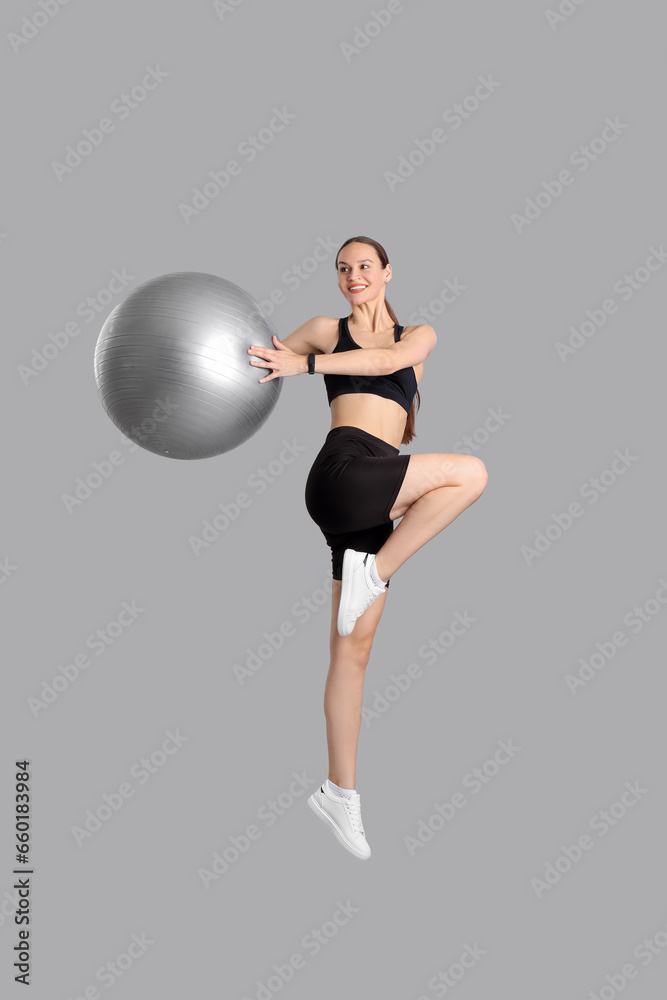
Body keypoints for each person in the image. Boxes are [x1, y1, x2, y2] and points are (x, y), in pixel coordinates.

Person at [246, 236, 488, 860]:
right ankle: (375, 573)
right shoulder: (327, 331)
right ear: (338, 279)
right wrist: (271, 363)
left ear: (386, 273)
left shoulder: (420, 336)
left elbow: (386, 365)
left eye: (364, 267)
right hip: (342, 469)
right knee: (471, 473)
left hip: (377, 487)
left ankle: (339, 793)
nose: (354, 276)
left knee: (353, 653)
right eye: (343, 268)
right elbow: (263, 356)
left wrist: (306, 368)